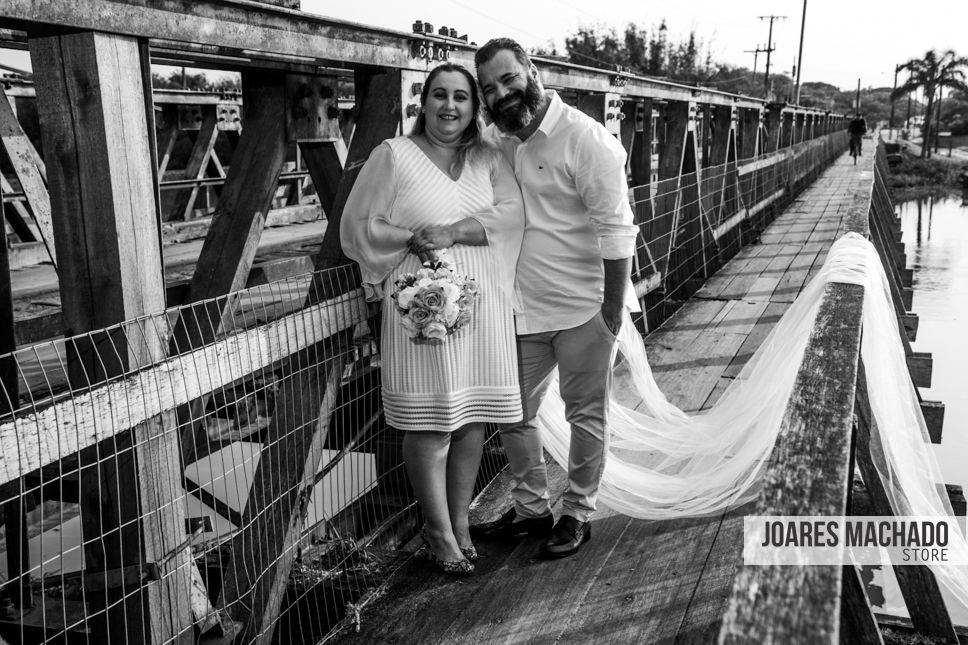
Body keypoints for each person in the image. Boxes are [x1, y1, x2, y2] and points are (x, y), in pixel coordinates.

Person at [340, 63, 525, 575]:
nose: (450, 106)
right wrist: (413, 238)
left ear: (474, 106)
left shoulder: (489, 156)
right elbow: (358, 226)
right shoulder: (393, 155)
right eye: (439, 95)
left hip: (481, 298)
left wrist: (453, 232)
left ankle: (460, 523)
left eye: (461, 97)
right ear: (423, 103)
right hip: (420, 304)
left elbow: (512, 215)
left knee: (470, 419)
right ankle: (436, 530)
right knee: (431, 421)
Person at [472, 38, 639, 558]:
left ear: (532, 71)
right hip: (524, 309)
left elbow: (618, 230)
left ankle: (578, 511)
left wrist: (611, 313)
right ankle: (531, 510)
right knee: (513, 412)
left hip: (585, 308)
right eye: (489, 88)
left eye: (508, 78)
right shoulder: (501, 139)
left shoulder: (585, 140)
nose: (501, 93)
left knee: (584, 415)